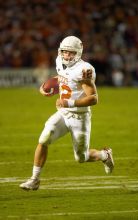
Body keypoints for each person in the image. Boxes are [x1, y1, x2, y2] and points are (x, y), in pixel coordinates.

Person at [20, 36, 114, 190]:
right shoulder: (59, 61)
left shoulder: (84, 70)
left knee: (81, 157)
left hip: (80, 117)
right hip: (63, 113)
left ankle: (105, 155)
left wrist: (69, 102)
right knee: (44, 138)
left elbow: (94, 98)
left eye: (70, 53)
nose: (66, 56)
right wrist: (47, 86)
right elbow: (62, 77)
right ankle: (34, 179)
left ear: (78, 53)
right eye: (64, 52)